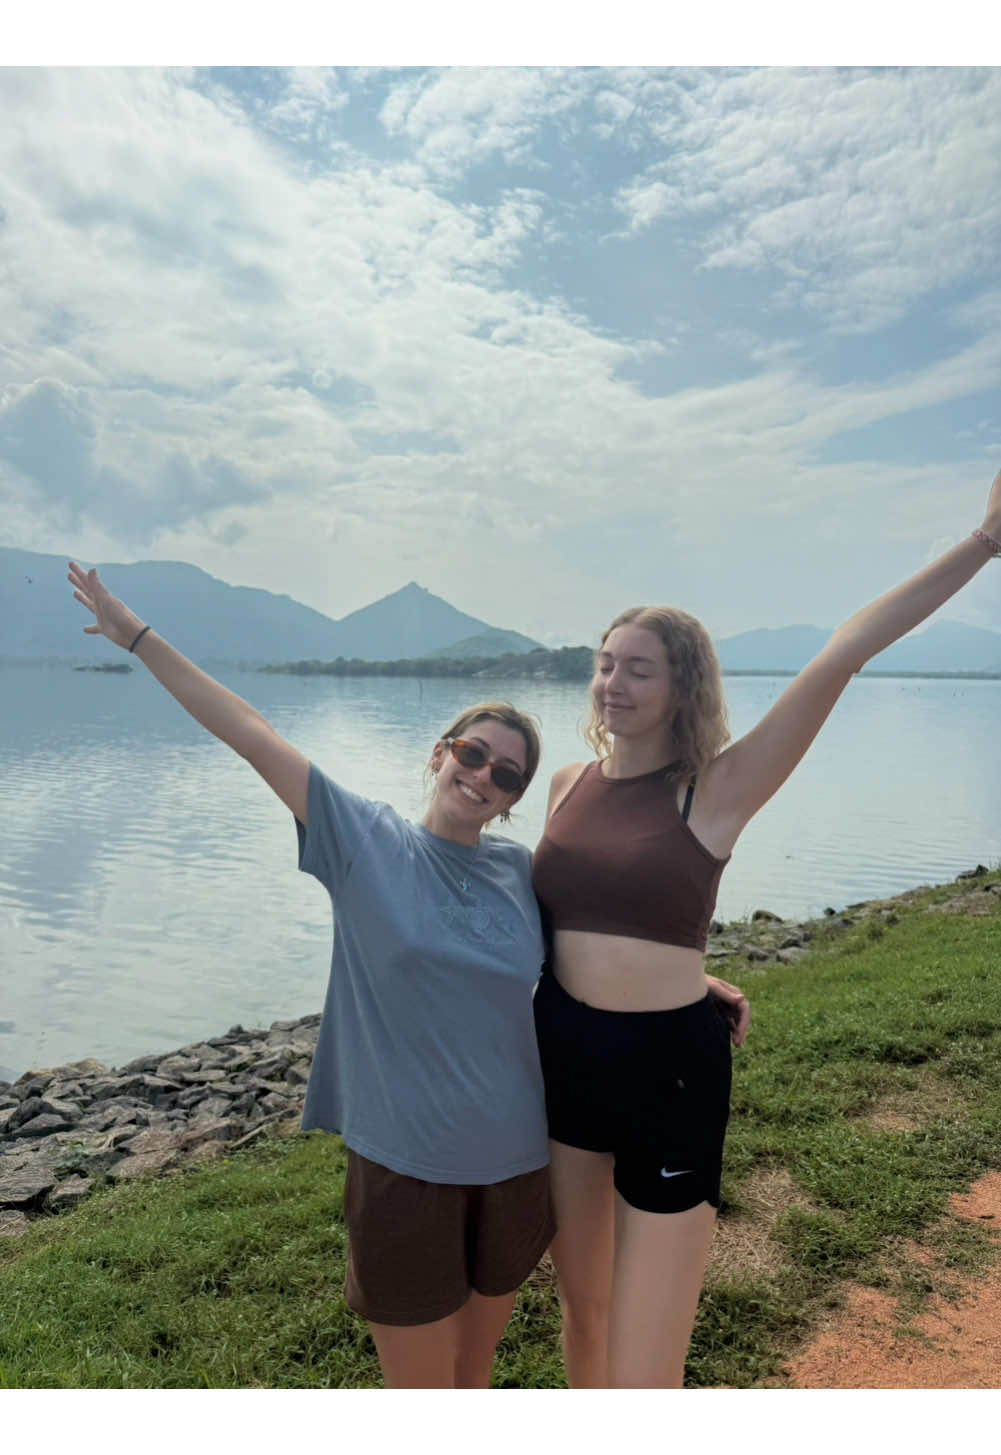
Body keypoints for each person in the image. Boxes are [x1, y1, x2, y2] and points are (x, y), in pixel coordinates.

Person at [531, 471, 1001, 1388]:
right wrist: (690, 971)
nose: (612, 681)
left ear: (680, 685)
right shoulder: (564, 787)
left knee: (646, 1354)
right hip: (562, 1057)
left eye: (638, 667)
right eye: (603, 661)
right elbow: (559, 926)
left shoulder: (716, 791)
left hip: (669, 1070)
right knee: (580, 1310)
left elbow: (840, 654)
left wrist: (982, 542)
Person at [67, 561, 555, 1388]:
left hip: (515, 1159)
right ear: (439, 752)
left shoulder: (522, 871)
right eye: (473, 753)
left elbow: (594, 951)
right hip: (405, 1161)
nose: (482, 776)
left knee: (474, 1381)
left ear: (512, 801)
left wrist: (697, 984)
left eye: (507, 774)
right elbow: (250, 729)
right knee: (422, 1394)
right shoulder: (364, 839)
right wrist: (138, 638)